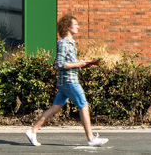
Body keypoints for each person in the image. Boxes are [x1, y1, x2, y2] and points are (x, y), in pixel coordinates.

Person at [25, 14, 108, 147]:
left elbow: (70, 63)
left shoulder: (70, 43)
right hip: (70, 81)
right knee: (84, 106)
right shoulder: (64, 43)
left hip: (65, 82)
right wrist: (78, 64)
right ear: (68, 27)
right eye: (75, 24)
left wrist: (84, 64)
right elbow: (60, 64)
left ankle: (33, 130)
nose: (78, 27)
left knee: (55, 108)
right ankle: (91, 138)